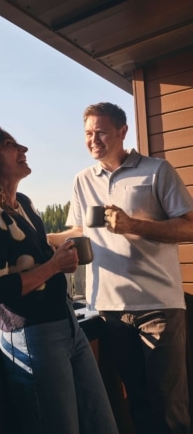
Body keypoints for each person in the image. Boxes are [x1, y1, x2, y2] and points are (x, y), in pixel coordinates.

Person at [0, 126, 118, 434]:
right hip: (34, 337)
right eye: (10, 145)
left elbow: (40, 262)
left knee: (102, 423)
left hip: (68, 325)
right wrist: (54, 267)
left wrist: (59, 262)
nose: (23, 149)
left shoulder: (25, 205)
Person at [47, 102, 193, 433]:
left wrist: (133, 225)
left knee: (169, 406)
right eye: (87, 133)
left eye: (100, 132)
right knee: (136, 404)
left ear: (122, 131)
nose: (93, 139)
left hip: (159, 308)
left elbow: (189, 227)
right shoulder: (83, 180)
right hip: (110, 311)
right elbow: (81, 229)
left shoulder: (157, 170)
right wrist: (44, 239)